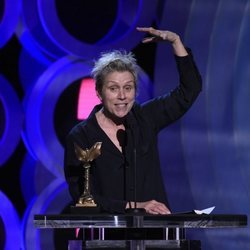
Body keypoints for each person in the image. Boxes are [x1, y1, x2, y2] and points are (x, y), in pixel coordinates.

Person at [64, 27, 202, 215]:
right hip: (109, 237)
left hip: (153, 235)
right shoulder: (81, 136)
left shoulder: (146, 117)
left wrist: (176, 41)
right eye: (113, 88)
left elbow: (190, 90)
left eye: (128, 88)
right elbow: (82, 198)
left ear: (135, 91)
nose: (122, 96)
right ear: (98, 92)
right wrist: (134, 206)